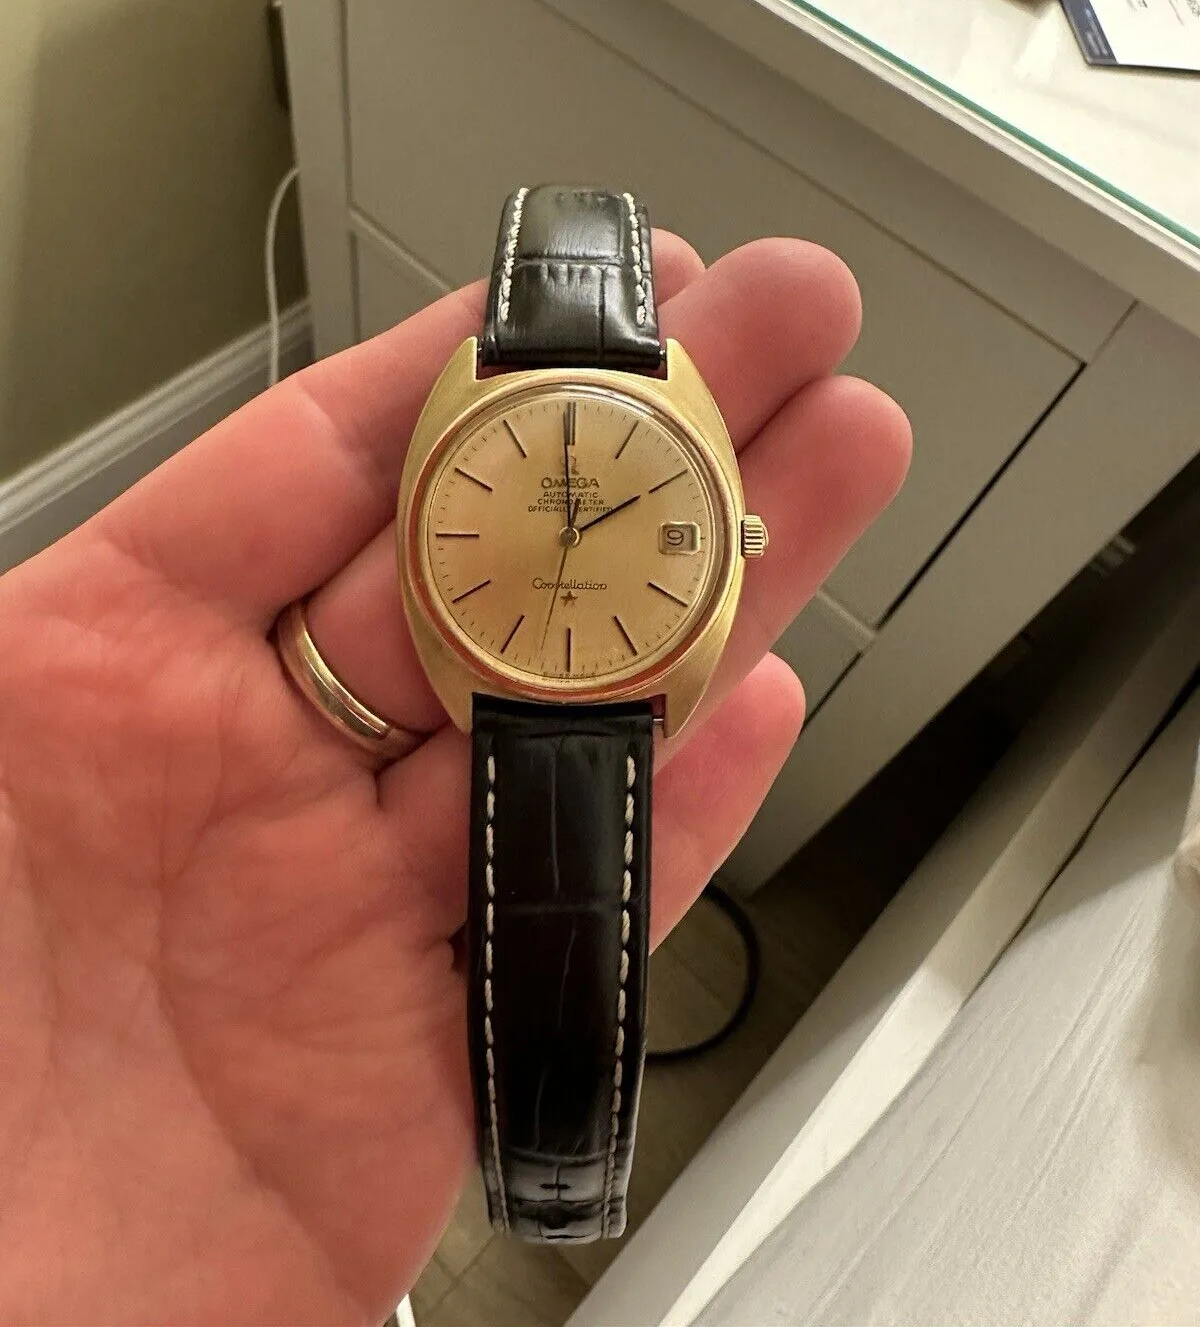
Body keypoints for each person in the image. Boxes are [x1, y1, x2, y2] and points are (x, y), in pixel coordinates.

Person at [0, 229, 909, 1324]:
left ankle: (557, 1176)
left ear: (733, 535)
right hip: (516, 666)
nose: (573, 535)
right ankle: (552, 1180)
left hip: (596, 676)